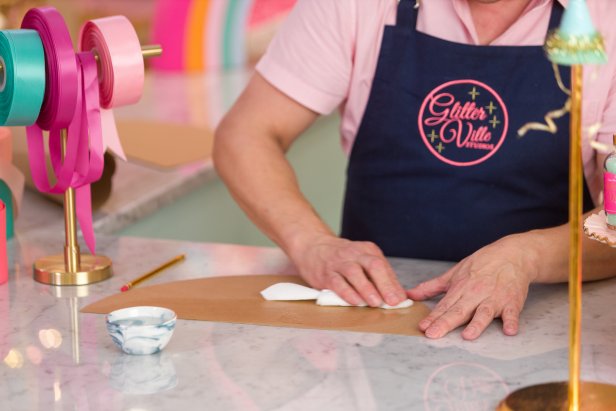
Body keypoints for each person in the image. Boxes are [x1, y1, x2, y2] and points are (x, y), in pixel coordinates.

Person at [213, 0, 616, 340]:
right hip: (376, 316)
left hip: (547, 325)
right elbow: (246, 135)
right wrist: (310, 243)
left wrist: (526, 257)